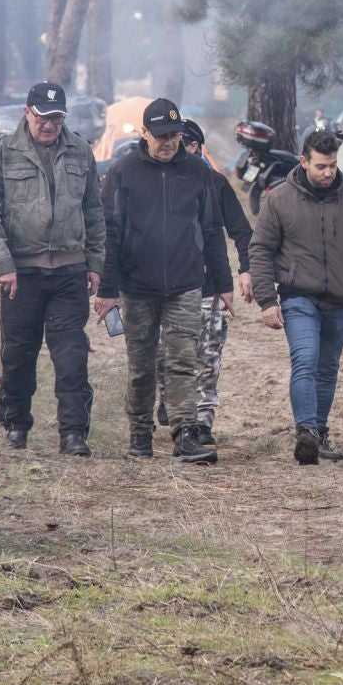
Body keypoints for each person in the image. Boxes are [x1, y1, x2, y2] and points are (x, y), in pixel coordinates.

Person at [92, 98, 235, 464]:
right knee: (141, 366)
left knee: (182, 361)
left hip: (186, 284)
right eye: (160, 136)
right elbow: (110, 232)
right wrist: (108, 290)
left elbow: (212, 230)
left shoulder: (197, 172)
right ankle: (139, 432)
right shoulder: (123, 172)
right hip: (137, 287)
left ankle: (185, 433)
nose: (168, 142)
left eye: (174, 135)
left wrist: (223, 283)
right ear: (144, 133)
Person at [0, 81, 106, 457]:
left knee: (71, 355)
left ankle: (74, 433)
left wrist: (95, 263)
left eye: (57, 118)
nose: (50, 125)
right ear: (27, 113)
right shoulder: (0, 153)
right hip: (21, 275)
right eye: (43, 118)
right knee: (19, 353)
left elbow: (94, 212)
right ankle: (15, 425)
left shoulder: (81, 151)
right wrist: (2, 265)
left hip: (69, 272)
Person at [250, 129, 343, 464]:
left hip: (340, 298)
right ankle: (305, 431)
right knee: (305, 359)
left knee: (327, 367)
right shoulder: (279, 200)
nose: (328, 173)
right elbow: (261, 250)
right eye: (321, 166)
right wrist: (267, 300)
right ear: (304, 162)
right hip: (298, 297)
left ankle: (320, 433)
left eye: (333, 166)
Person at [155, 119, 253, 446]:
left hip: (208, 287)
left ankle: (203, 420)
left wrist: (246, 270)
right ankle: (169, 399)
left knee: (207, 356)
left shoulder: (215, 182)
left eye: (181, 141)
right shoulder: (156, 179)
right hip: (162, 287)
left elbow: (241, 231)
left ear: (196, 147)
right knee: (163, 353)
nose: (173, 146)